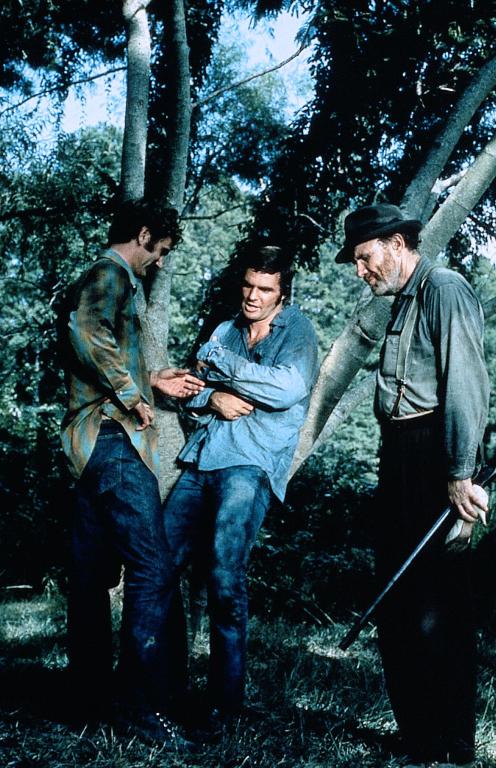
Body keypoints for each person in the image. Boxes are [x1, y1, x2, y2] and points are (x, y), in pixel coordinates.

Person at [335, 203, 489, 768]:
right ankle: (419, 740)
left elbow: (466, 385)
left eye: (365, 258)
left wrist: (460, 473)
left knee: (438, 606)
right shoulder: (401, 300)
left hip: (435, 457)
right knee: (397, 602)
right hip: (398, 455)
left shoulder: (444, 288)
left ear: (397, 244)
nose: (361, 271)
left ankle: (454, 744)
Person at [60, 198, 205, 744]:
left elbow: (97, 344)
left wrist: (152, 380)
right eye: (160, 250)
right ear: (143, 235)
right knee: (154, 569)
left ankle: (87, 701)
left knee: (90, 576)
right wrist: (131, 394)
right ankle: (140, 707)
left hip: (88, 446)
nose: (159, 262)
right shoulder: (111, 273)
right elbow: (85, 328)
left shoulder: (104, 278)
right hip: (114, 441)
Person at [162, 245, 319, 726]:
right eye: (248, 285)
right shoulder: (225, 329)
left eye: (265, 289)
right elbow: (190, 389)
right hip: (201, 460)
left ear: (282, 294)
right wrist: (214, 399)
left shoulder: (298, 331)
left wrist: (219, 364)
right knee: (160, 563)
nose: (252, 296)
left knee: (225, 573)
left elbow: (285, 389)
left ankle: (224, 704)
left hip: (249, 466)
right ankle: (163, 687)